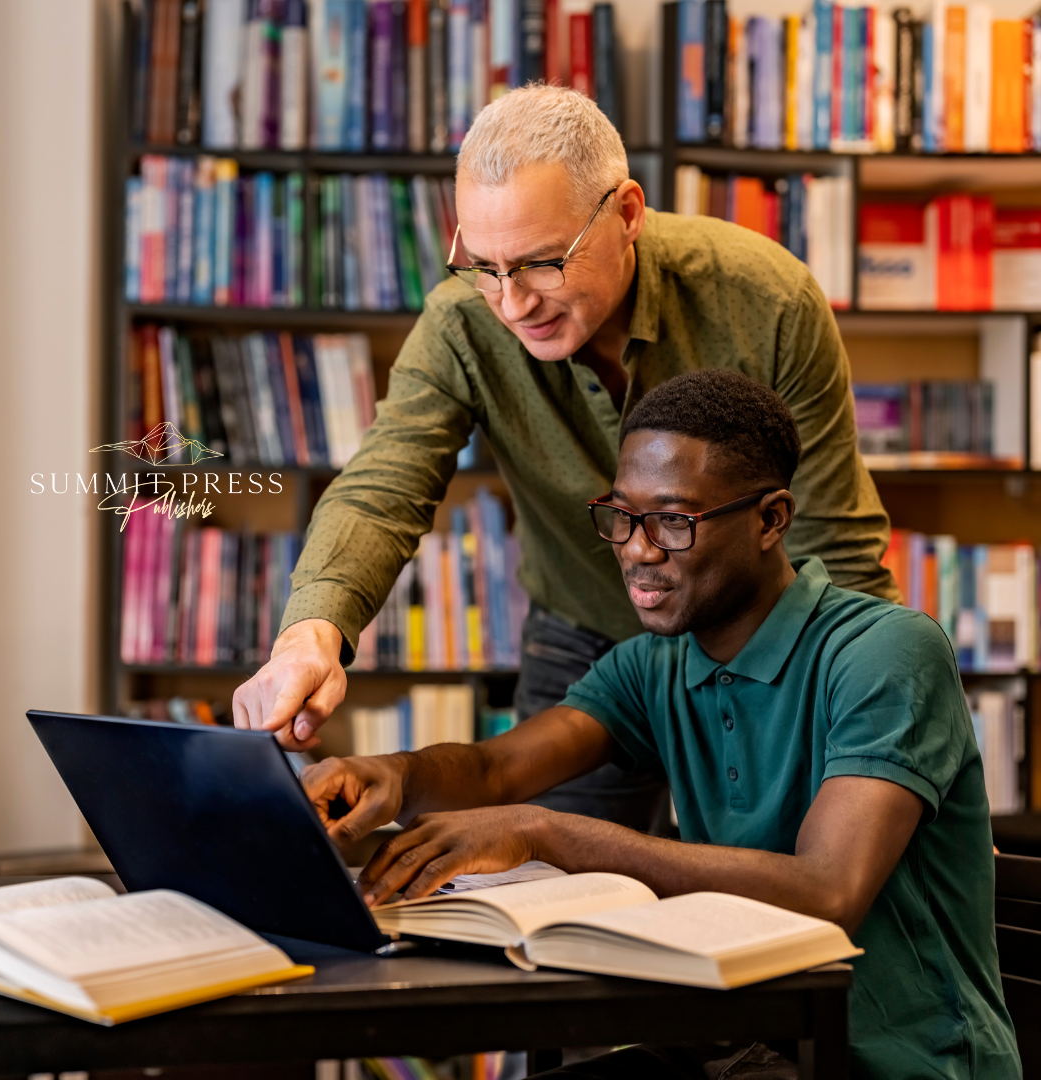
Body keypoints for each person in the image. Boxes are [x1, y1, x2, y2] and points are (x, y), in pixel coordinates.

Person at [300, 372, 1020, 1080]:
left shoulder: (885, 650)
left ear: (771, 519)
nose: (638, 549)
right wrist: (395, 775)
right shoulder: (653, 666)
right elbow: (496, 771)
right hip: (744, 1048)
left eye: (674, 521)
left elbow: (829, 890)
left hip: (896, 1062)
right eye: (622, 516)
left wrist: (551, 832)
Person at [233, 84, 899, 833]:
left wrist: (868, 701)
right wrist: (310, 632)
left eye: (543, 262)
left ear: (626, 214)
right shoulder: (460, 324)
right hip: (582, 630)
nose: (512, 303)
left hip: (754, 638)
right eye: (483, 265)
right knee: (556, 897)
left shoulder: (765, 299)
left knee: (779, 885)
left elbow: (834, 541)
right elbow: (384, 484)